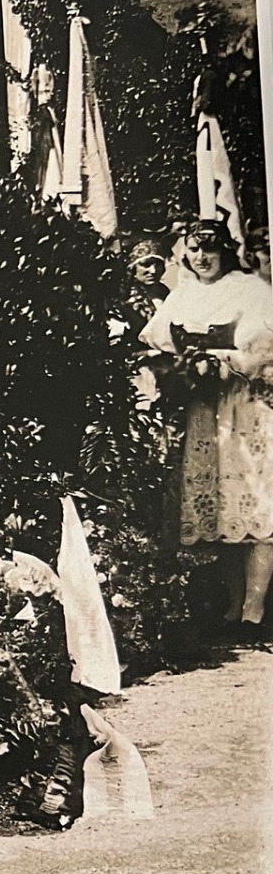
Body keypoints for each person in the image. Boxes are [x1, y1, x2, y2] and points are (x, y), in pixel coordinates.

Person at [141, 218, 273, 637]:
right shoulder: (183, 293)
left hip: (242, 407)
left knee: (253, 502)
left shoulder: (249, 289)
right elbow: (157, 341)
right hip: (202, 410)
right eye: (194, 250)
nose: (201, 258)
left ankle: (255, 609)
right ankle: (233, 607)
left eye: (210, 249)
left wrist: (221, 359)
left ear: (225, 251)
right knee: (219, 510)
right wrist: (181, 366)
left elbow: (262, 350)